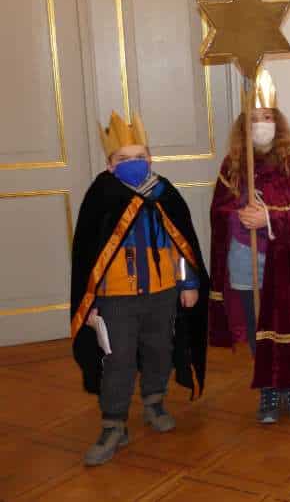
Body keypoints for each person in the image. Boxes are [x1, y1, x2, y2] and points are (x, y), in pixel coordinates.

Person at [70, 111, 208, 466]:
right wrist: (91, 302)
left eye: (139, 156)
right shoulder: (101, 196)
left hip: (163, 293)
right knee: (118, 359)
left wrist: (188, 283)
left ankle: (154, 401)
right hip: (115, 299)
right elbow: (89, 255)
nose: (132, 163)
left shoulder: (164, 194)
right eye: (123, 158)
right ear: (109, 164)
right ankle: (113, 423)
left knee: (159, 349)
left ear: (150, 158)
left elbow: (181, 245)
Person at [208, 69, 290, 423]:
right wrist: (239, 215)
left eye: (266, 117)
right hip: (244, 261)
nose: (260, 124)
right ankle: (267, 388)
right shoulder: (233, 165)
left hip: (286, 263)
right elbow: (219, 209)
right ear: (243, 126)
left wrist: (269, 218)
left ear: (277, 122)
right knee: (256, 328)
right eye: (253, 119)